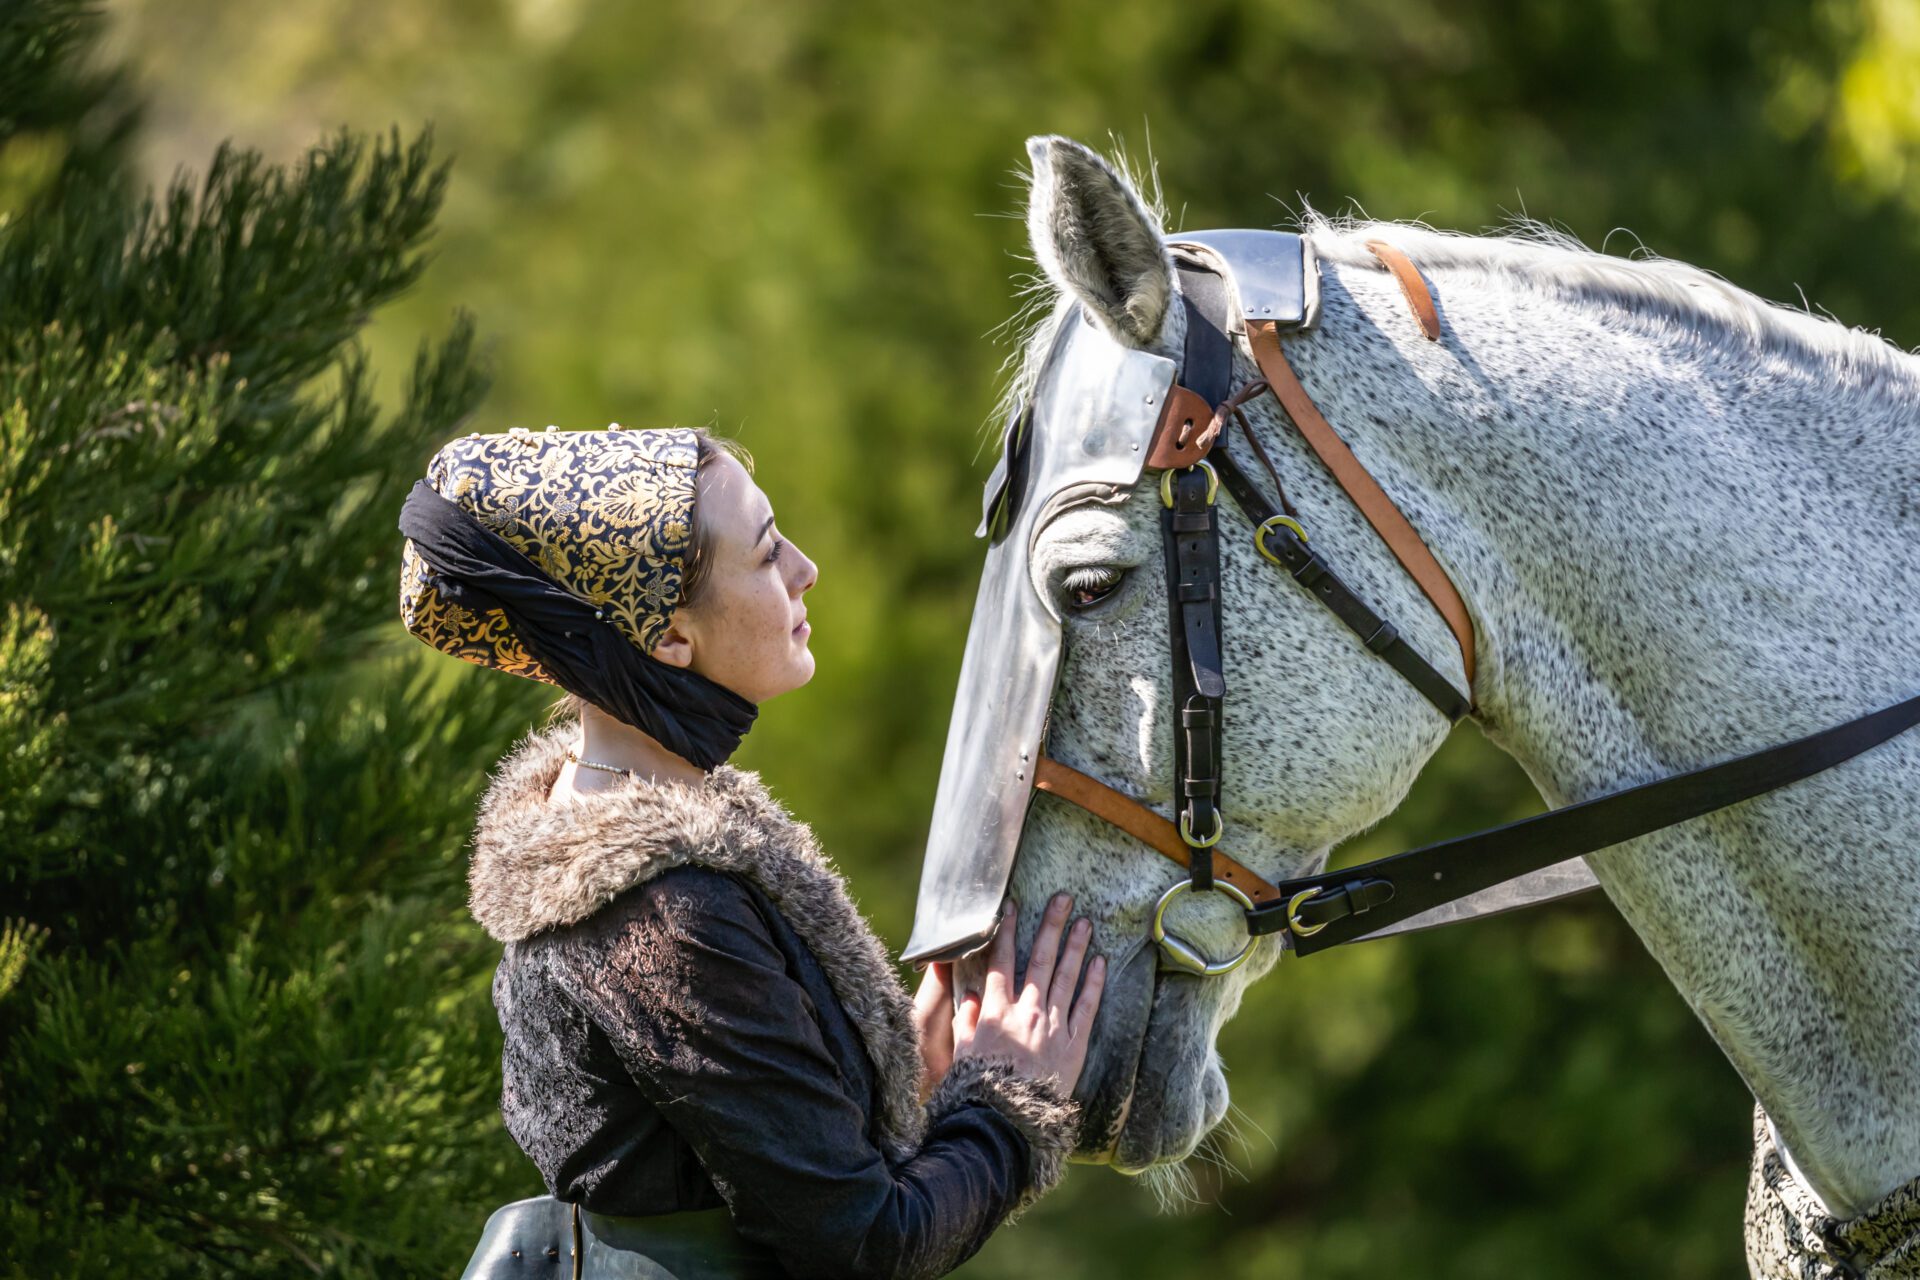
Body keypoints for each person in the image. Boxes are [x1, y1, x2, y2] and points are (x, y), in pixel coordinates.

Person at [396, 423, 1107, 1280]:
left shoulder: (657, 837)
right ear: (667, 639)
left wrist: (893, 1075)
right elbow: (865, 1244)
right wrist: (1006, 1098)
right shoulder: (656, 917)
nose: (805, 569)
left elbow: (710, 1156)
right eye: (767, 553)